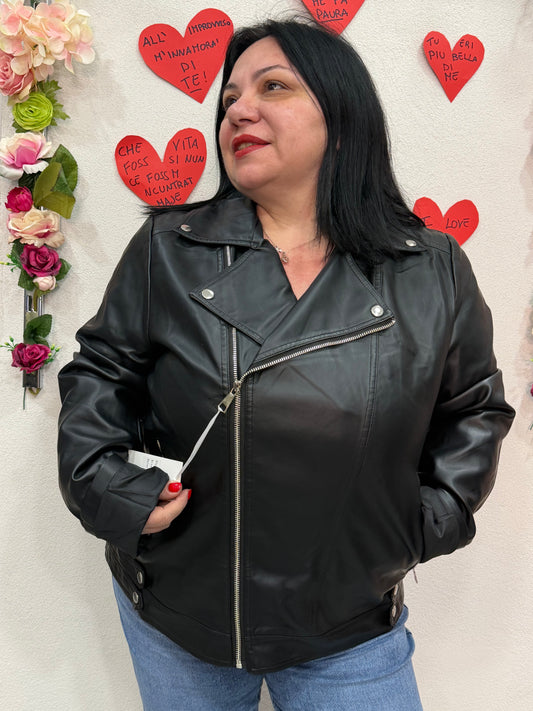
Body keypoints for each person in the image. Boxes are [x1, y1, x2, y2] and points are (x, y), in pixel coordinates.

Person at [57, 18, 515, 711]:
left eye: (273, 87)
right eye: (229, 97)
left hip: (349, 625)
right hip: (181, 615)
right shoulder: (168, 249)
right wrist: (113, 490)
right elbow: (99, 376)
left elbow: (473, 407)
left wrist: (419, 523)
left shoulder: (430, 266)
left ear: (343, 114)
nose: (239, 109)